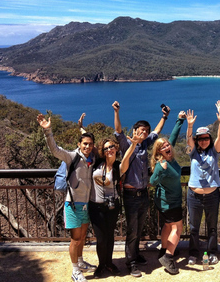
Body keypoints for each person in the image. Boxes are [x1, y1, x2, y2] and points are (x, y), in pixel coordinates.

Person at [37, 113, 97, 282]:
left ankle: (80, 262)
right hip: (72, 205)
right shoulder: (72, 157)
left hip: (85, 205)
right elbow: (55, 150)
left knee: (83, 238)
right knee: (76, 239)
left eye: (90, 144)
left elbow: (90, 141)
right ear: (79, 144)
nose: (88, 146)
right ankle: (75, 271)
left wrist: (82, 128)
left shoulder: (90, 158)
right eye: (85, 144)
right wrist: (47, 131)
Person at [113, 100, 170, 278]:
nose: (144, 132)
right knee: (132, 230)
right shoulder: (126, 144)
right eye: (141, 130)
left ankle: (136, 254)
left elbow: (157, 131)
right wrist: (116, 112)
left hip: (143, 194)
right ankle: (130, 263)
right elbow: (118, 131)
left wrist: (165, 116)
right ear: (135, 130)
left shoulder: (145, 144)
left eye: (146, 130)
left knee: (139, 229)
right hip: (130, 195)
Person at [89, 130, 142, 278]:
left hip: (112, 207)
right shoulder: (97, 163)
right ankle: (102, 264)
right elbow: (88, 146)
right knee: (101, 238)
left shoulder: (118, 167)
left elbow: (127, 158)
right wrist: (81, 128)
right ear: (103, 151)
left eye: (111, 146)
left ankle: (109, 263)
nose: (109, 149)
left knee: (110, 236)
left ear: (116, 148)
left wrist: (134, 144)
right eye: (106, 148)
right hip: (95, 206)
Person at [185, 101, 220, 266]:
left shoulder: (214, 152)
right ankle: (194, 253)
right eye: (200, 138)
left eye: (205, 138)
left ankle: (212, 252)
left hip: (212, 195)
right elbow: (189, 140)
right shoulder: (193, 152)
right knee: (194, 227)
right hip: (194, 196)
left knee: (212, 227)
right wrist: (190, 126)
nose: (203, 141)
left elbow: (219, 137)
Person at [149, 110, 186, 274]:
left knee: (168, 226)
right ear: (159, 152)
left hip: (166, 201)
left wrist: (179, 120)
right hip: (169, 202)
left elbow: (173, 137)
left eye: (167, 145)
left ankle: (164, 250)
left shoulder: (170, 156)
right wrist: (160, 171)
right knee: (177, 229)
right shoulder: (161, 164)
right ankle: (168, 257)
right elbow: (152, 182)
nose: (166, 146)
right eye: (162, 147)